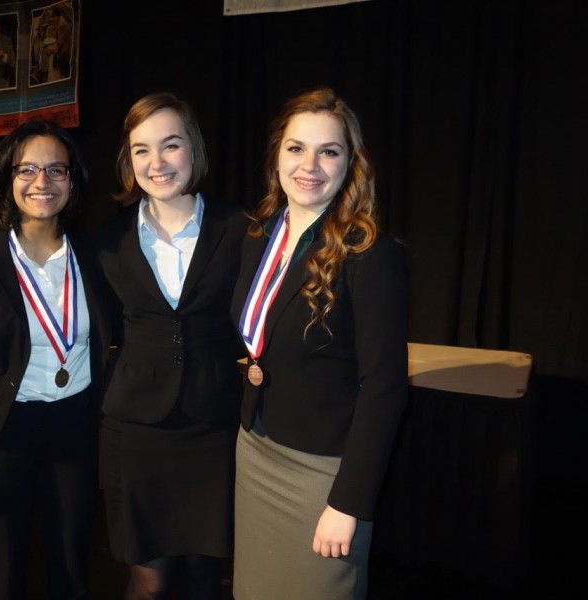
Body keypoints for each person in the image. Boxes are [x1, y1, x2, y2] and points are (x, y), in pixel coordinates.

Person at [229, 86, 408, 600]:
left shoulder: (370, 254)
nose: (310, 165)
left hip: (324, 473)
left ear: (350, 163)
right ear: (277, 156)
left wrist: (349, 503)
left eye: (328, 151)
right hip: (257, 448)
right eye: (296, 148)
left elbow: (385, 388)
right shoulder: (260, 236)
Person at [0, 118, 111, 600]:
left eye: (57, 170)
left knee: (72, 563)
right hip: (3, 434)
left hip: (73, 428)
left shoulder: (93, 255)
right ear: (7, 178)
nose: (42, 182)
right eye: (27, 169)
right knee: (4, 569)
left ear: (73, 182)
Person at [94, 92, 247, 600]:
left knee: (205, 578)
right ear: (127, 159)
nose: (156, 163)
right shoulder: (107, 244)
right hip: (136, 432)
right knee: (148, 582)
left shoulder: (242, 230)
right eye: (141, 150)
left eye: (170, 145)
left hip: (212, 427)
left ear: (193, 150)